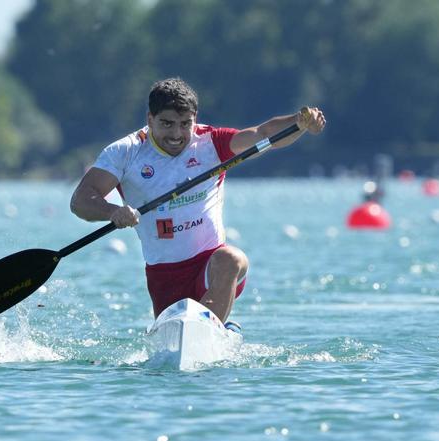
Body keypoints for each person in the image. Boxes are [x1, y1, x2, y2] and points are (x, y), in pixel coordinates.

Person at [70, 77, 325, 325]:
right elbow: (81, 199)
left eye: (185, 124)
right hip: (165, 276)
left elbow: (263, 133)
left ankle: (207, 329)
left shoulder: (211, 142)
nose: (177, 134)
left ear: (195, 119)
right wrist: (113, 211)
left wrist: (300, 122)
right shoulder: (125, 152)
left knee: (231, 258)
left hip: (212, 269)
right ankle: (216, 327)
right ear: (150, 119)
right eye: (167, 124)